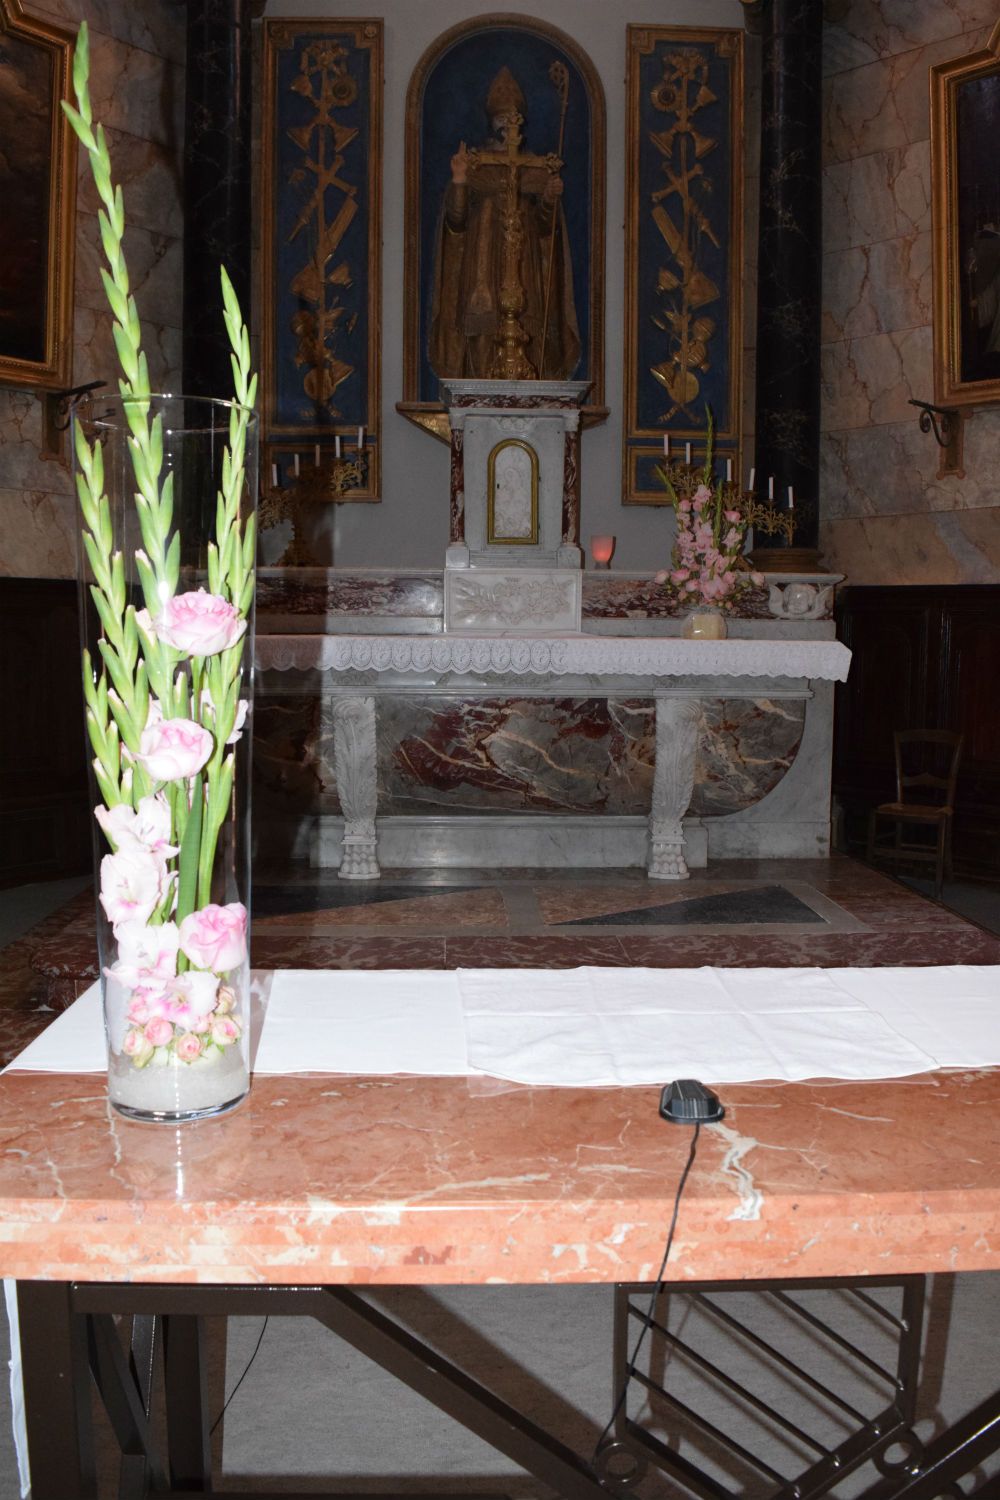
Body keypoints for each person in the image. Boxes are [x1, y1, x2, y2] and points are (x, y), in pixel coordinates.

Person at [428, 66, 581, 381]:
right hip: (481, 269)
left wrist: (550, 198)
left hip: (526, 270)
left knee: (530, 327)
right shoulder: (476, 166)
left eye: (513, 119)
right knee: (483, 335)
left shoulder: (534, 168)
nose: (507, 127)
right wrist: (459, 181)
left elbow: (545, 232)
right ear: (491, 122)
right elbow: (455, 224)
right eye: (501, 119)